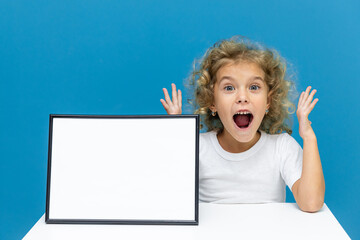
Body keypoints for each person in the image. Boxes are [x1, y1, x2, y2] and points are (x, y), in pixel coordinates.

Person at [160, 36, 325, 213]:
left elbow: (311, 203)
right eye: (229, 88)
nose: (242, 97)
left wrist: (309, 137)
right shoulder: (198, 147)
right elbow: (170, 200)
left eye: (254, 87)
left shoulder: (281, 147)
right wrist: (176, 136)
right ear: (212, 101)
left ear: (268, 101)